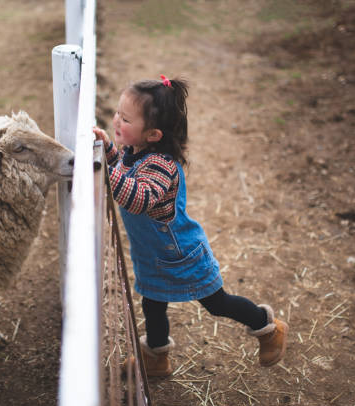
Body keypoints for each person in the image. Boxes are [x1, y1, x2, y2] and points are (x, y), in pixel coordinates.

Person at [93, 75, 289, 377]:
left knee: (216, 303)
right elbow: (123, 169)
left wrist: (105, 169)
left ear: (154, 134)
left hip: (181, 254)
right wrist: (107, 151)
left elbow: (139, 197)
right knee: (153, 305)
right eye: (117, 113)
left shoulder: (162, 166)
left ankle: (266, 326)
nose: (116, 121)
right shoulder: (134, 151)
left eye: (126, 119)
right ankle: (156, 357)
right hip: (152, 255)